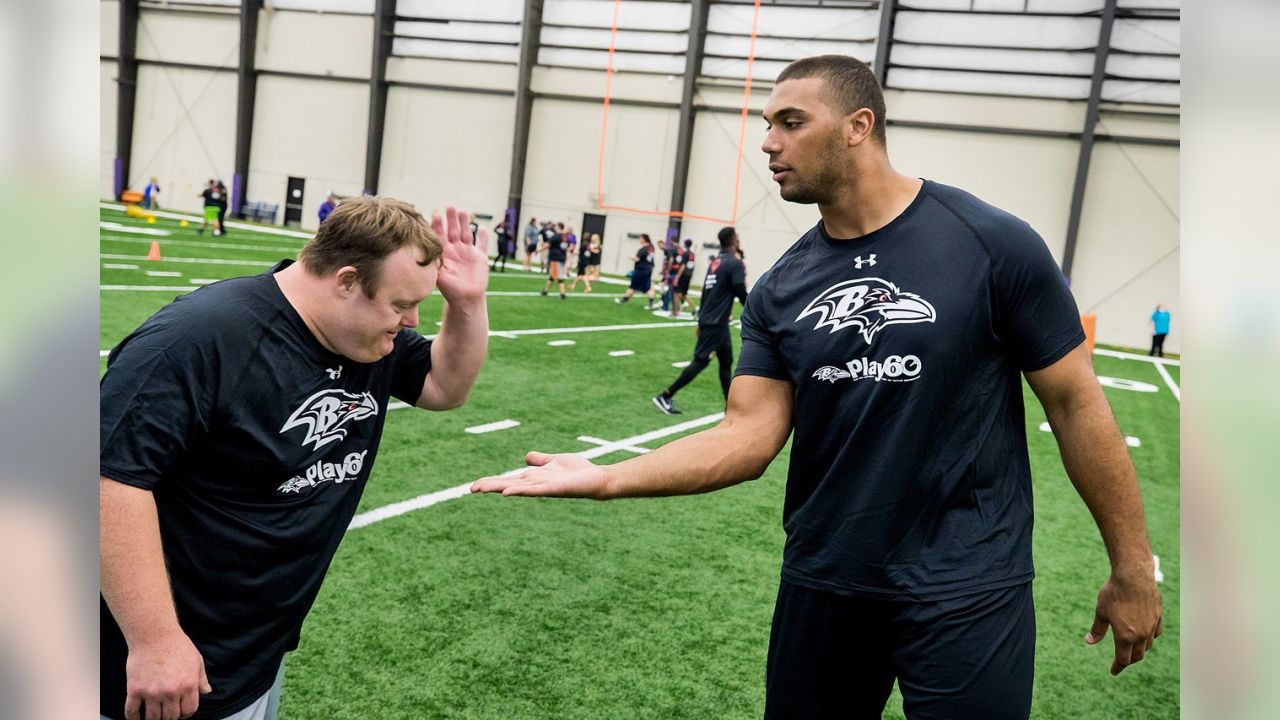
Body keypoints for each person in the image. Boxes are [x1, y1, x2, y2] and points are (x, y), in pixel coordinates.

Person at [473, 55, 1163, 720]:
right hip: (827, 581)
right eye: (768, 124)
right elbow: (746, 435)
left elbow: (1075, 404)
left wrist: (1132, 568)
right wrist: (609, 478)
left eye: (791, 122)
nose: (769, 144)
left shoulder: (992, 244)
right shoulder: (782, 287)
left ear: (858, 126)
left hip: (968, 585)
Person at [100, 198, 490, 720]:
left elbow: (445, 386)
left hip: (249, 655)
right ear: (347, 281)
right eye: (401, 305)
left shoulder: (365, 338)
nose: (412, 321)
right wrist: (155, 639)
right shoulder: (198, 339)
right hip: (143, 667)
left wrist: (466, 304)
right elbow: (107, 478)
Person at [653, 228, 748, 415]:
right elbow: (740, 290)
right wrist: (755, 311)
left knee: (726, 362)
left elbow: (706, 292)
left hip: (715, 321)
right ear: (733, 240)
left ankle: (730, 406)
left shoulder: (716, 262)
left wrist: (701, 320)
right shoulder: (734, 263)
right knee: (701, 361)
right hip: (715, 323)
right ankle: (665, 395)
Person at [614, 234, 657, 309]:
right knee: (648, 287)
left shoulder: (643, 249)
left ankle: (624, 300)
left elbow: (637, 259)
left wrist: (631, 257)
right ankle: (651, 303)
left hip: (640, 270)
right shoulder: (651, 248)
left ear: (644, 239)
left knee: (633, 286)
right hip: (648, 270)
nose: (639, 240)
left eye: (640, 238)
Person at [669, 238, 698, 318]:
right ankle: (695, 308)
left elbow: (683, 266)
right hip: (688, 276)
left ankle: (675, 312)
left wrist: (677, 277)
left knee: (676, 293)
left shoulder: (685, 254)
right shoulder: (692, 254)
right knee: (683, 294)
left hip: (683, 275)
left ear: (685, 244)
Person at [539, 222, 568, 299]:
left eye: (556, 227)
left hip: (556, 258)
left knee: (558, 276)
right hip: (562, 258)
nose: (555, 228)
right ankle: (545, 290)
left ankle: (562, 294)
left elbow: (547, 245)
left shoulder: (556, 236)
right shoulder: (565, 237)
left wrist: (538, 250)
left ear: (558, 227)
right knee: (553, 276)